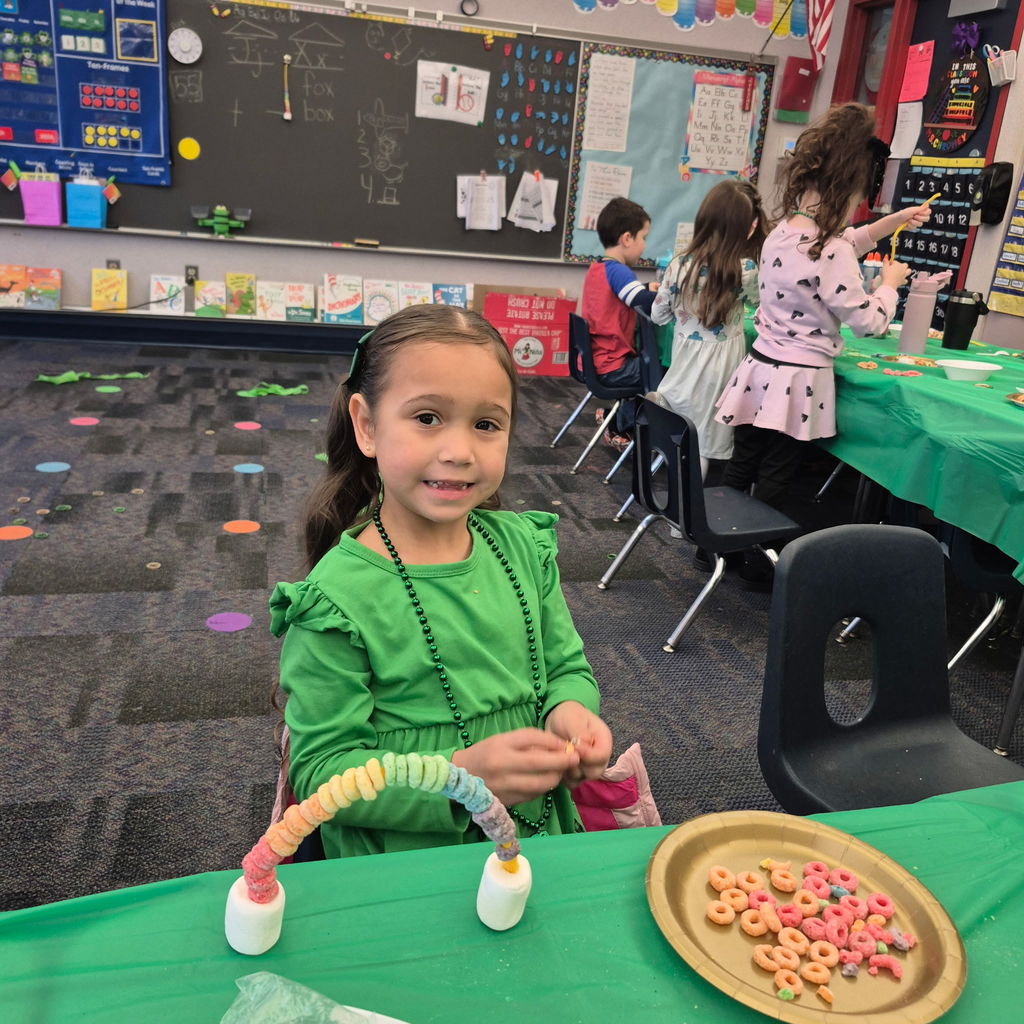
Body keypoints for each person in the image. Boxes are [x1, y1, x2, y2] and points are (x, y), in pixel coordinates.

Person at [270, 304, 614, 858]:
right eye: (427, 418)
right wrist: (460, 776)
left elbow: (564, 668)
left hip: (532, 834)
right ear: (366, 426)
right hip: (405, 862)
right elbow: (321, 774)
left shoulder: (524, 549)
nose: (459, 452)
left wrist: (570, 711)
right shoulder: (336, 600)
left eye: (486, 424)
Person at [715, 103, 931, 529]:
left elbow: (847, 240)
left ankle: (716, 544)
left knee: (743, 464)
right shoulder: (830, 250)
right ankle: (756, 554)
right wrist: (889, 284)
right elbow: (867, 322)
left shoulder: (783, 231)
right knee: (777, 475)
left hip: (759, 368)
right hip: (799, 379)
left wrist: (897, 220)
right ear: (848, 187)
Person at [650, 178, 768, 479]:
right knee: (702, 442)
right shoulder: (745, 270)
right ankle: (685, 520)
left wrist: (681, 310)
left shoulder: (679, 265)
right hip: (723, 366)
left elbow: (658, 314)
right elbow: (762, 309)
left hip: (685, 358)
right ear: (746, 227)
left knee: (682, 429)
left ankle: (677, 512)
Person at [580, 196, 658, 451]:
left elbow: (622, 297)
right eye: (643, 238)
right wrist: (668, 294)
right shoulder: (619, 271)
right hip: (613, 366)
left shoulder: (598, 268)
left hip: (596, 361)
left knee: (654, 370)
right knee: (668, 377)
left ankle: (616, 418)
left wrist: (646, 287)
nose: (644, 246)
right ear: (627, 239)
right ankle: (618, 421)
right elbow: (640, 301)